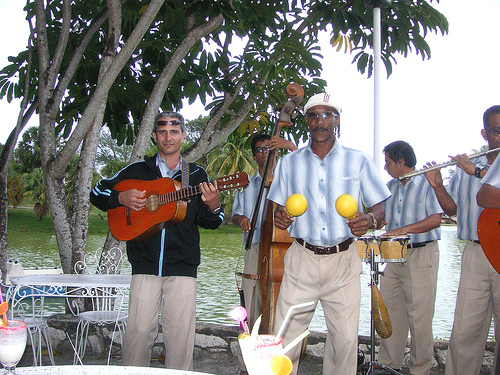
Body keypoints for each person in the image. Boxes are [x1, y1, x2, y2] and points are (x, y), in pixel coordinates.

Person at [266, 92, 391, 375]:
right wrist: (281, 217)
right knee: (284, 337)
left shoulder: (359, 161)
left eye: (326, 115)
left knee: (344, 342)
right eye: (314, 115)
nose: (320, 121)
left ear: (336, 120)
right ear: (307, 121)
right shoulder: (289, 163)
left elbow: (380, 210)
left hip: (343, 259)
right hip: (302, 259)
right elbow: (276, 211)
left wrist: (369, 219)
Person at [90, 111, 223, 370]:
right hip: (145, 266)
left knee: (180, 338)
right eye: (162, 131)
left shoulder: (195, 175)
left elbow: (210, 221)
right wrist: (121, 198)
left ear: (183, 136)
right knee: (138, 335)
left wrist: (215, 206)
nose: (168, 137)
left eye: (174, 131)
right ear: (154, 136)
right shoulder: (137, 171)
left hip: (183, 267)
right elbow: (97, 191)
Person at [424, 105, 500, 375]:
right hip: (475, 252)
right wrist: (438, 186)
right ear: (485, 133)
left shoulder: (472, 169)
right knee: (465, 330)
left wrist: (475, 173)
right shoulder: (469, 164)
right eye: (496, 131)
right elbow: (452, 209)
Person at [377, 141, 443, 375]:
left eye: (388, 162)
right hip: (394, 257)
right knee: (390, 311)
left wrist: (403, 229)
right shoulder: (389, 187)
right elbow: (381, 216)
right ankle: (388, 364)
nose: (385, 167)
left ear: (401, 161)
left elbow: (436, 219)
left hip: (421, 254)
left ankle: (420, 368)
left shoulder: (426, 182)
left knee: (420, 317)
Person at [231, 133, 297, 328]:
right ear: (254, 156)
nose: (264, 152)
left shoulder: (289, 179)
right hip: (255, 244)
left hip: (283, 247)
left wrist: (291, 146)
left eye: (269, 147)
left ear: (276, 150)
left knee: (284, 293)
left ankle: (280, 337)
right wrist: (241, 219)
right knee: (251, 293)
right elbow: (235, 214)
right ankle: (251, 338)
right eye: (259, 149)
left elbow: (306, 164)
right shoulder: (247, 185)